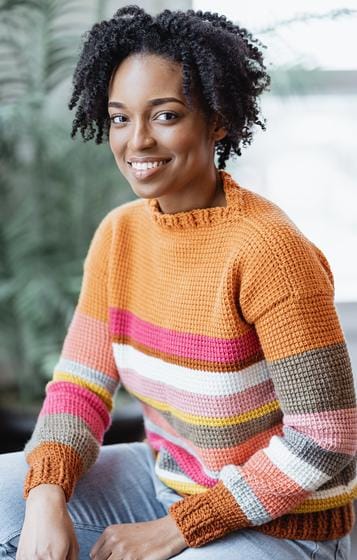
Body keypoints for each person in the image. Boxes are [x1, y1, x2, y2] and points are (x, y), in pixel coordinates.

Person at [0, 5, 356, 559]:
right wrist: (46, 492)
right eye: (120, 117)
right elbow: (79, 386)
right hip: (166, 483)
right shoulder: (120, 236)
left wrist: (179, 529)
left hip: (282, 523)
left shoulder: (269, 251)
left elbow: (326, 437)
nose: (136, 141)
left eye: (164, 115)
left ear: (217, 119)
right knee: (9, 500)